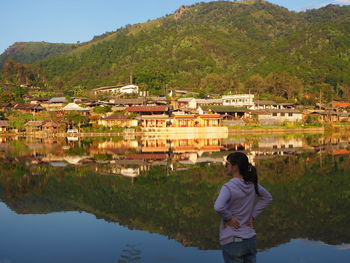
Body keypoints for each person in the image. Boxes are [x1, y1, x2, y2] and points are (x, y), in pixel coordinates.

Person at [214, 152, 272, 263]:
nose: (226, 166)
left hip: (233, 240)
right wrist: (253, 216)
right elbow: (267, 198)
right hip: (250, 239)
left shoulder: (228, 187)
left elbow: (218, 207)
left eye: (228, 164)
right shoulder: (252, 185)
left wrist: (229, 218)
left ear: (235, 167)